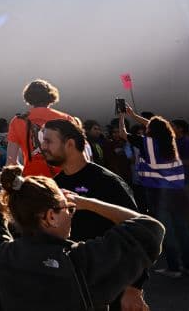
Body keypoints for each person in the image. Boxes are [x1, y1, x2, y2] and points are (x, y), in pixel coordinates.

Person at [0, 164, 165, 310]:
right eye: (69, 208)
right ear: (50, 217)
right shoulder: (81, 262)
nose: (73, 213)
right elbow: (150, 228)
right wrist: (88, 202)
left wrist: (21, 197)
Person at [42, 117, 148, 311]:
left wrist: (134, 288)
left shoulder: (108, 182)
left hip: (112, 285)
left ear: (70, 144)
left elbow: (139, 231)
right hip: (75, 284)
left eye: (48, 141)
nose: (43, 147)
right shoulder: (55, 184)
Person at [121, 106, 189, 278]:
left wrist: (123, 117)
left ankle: (174, 268)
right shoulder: (171, 140)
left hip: (158, 193)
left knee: (166, 230)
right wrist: (135, 115)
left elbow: (123, 133)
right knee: (182, 229)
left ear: (151, 131)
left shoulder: (146, 143)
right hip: (177, 192)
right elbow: (162, 128)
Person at [6, 78, 75, 177]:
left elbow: (11, 161)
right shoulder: (66, 119)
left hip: (31, 180)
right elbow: (74, 156)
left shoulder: (17, 121)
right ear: (51, 96)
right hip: (61, 180)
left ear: (28, 98)